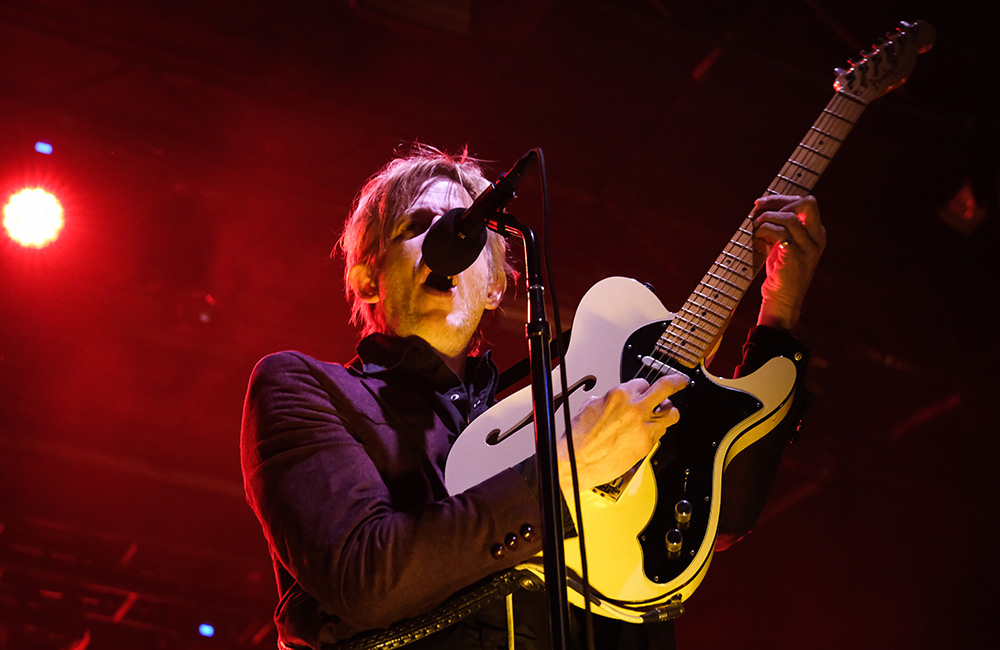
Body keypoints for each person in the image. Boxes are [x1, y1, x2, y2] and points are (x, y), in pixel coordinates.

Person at [240, 145, 826, 650]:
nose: (452, 239)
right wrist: (564, 473)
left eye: (471, 229)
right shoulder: (306, 388)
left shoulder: (564, 397)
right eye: (421, 225)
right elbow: (365, 577)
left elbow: (716, 516)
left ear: (496, 284)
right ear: (370, 278)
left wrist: (779, 314)